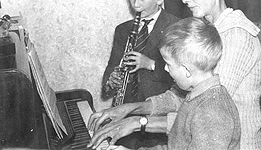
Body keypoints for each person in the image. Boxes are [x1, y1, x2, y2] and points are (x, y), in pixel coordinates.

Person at [89, 0, 261, 150]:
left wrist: (138, 123)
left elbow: (205, 110)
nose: (185, 0)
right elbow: (180, 96)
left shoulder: (236, 35)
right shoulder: (206, 30)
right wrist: (131, 109)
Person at [90, 17, 241, 150]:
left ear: (187, 70)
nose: (165, 68)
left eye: (168, 64)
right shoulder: (196, 95)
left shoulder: (212, 112)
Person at [100, 0, 184, 149]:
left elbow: (184, 79)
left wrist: (151, 64)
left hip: (159, 122)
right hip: (125, 116)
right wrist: (110, 81)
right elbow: (111, 67)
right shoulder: (123, 30)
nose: (136, 5)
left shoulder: (177, 27)